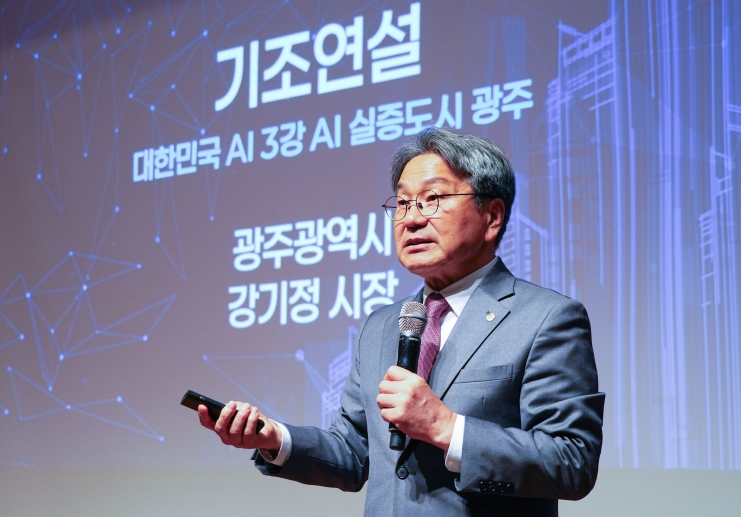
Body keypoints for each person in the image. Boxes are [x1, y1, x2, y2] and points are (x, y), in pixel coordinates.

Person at [198, 127, 605, 516]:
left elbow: (572, 462)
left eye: (432, 199)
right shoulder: (380, 326)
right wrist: (274, 438)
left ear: (492, 217)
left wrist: (447, 427)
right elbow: (354, 451)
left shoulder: (545, 318)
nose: (410, 219)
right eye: (403, 203)